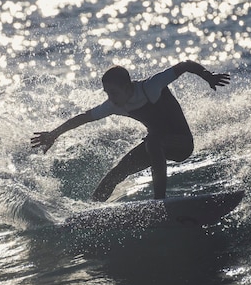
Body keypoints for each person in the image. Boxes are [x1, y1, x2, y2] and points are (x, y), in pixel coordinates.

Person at [31, 60, 230, 201]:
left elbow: (185, 65)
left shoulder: (150, 86)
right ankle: (91, 211)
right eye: (107, 93)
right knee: (115, 174)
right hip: (157, 147)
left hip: (181, 144)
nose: (110, 97)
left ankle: (159, 202)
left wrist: (208, 76)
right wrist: (53, 134)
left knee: (152, 142)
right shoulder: (115, 104)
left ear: (127, 87)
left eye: (114, 92)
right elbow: (84, 117)